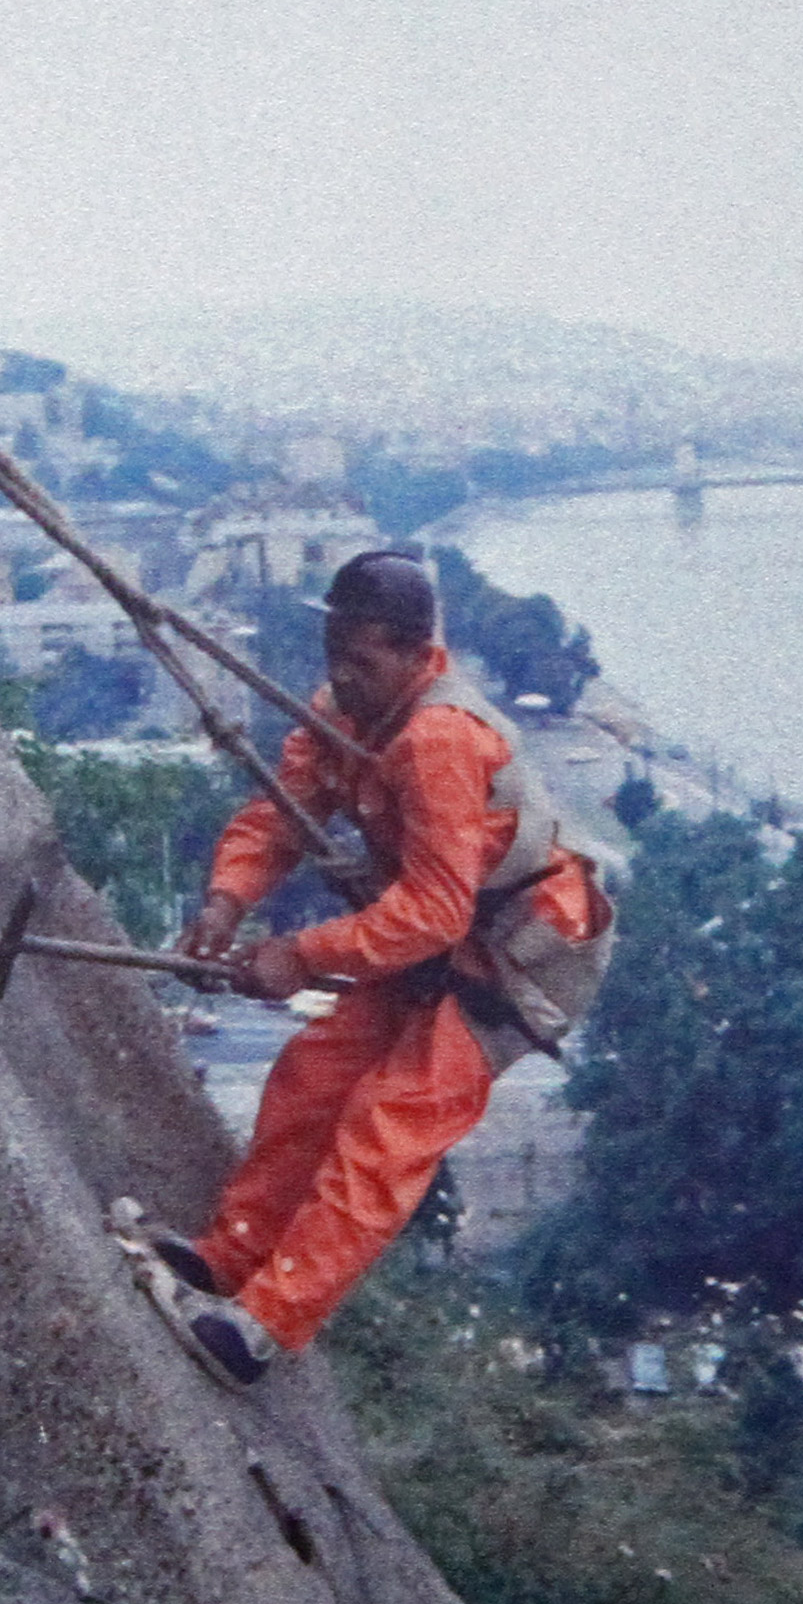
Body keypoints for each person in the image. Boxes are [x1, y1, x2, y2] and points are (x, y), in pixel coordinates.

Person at [147, 551, 612, 1389]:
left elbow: (431, 908)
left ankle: (262, 1326)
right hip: (437, 932)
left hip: (520, 952)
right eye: (333, 657)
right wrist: (225, 901)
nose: (340, 679)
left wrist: (300, 954)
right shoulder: (348, 715)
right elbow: (277, 819)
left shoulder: (437, 739)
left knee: (386, 1123)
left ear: (410, 652)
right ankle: (230, 1259)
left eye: (360, 663)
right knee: (312, 1075)